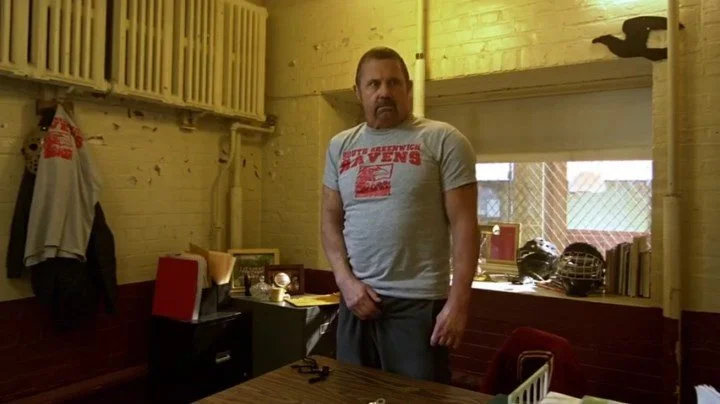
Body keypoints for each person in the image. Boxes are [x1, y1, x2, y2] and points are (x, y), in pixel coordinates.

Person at [321, 46, 479, 384]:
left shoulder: (443, 140)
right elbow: (329, 221)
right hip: (357, 300)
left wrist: (458, 303)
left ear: (408, 88)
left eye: (393, 83)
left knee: (418, 398)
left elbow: (465, 225)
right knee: (353, 393)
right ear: (358, 92)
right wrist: (345, 282)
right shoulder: (340, 146)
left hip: (418, 305)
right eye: (374, 84)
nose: (384, 92)